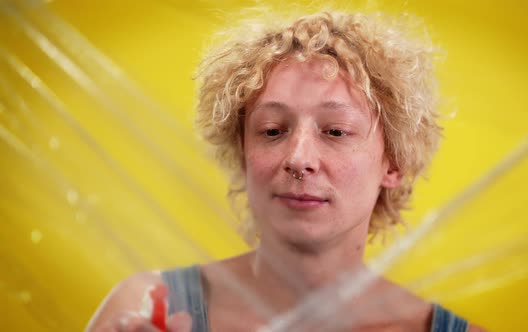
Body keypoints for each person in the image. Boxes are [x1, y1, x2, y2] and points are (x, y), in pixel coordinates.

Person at [86, 11, 486, 332]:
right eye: (272, 131)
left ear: (393, 163)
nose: (299, 158)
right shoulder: (145, 309)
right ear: (242, 153)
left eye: (335, 131)